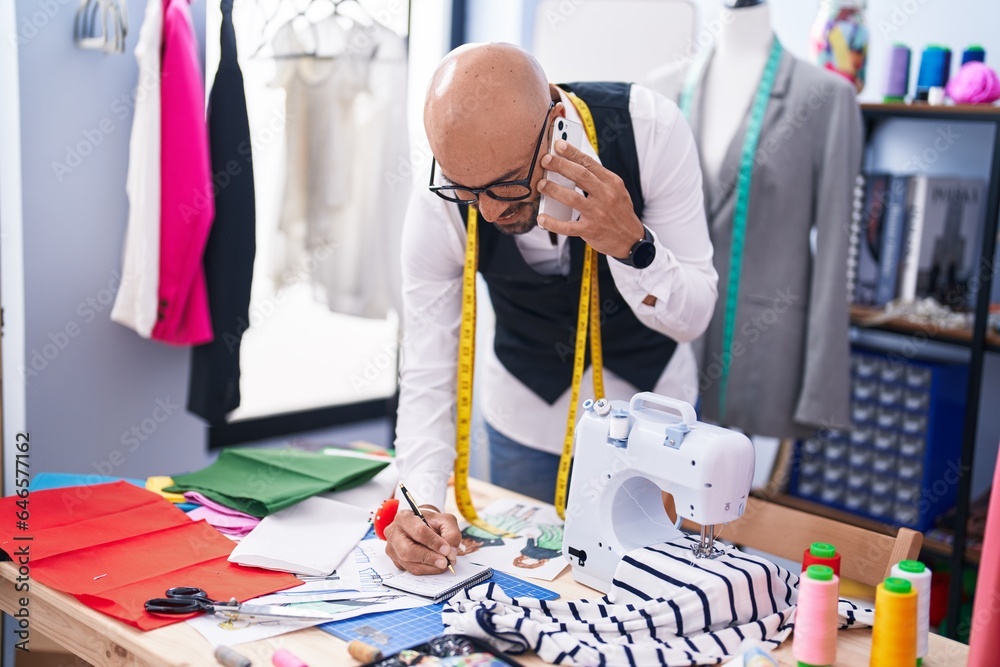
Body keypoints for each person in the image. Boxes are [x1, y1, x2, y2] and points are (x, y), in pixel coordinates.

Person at [384, 43, 717, 575]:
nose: (489, 211)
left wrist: (634, 246)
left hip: (653, 425)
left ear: (557, 126)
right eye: (470, 194)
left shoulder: (650, 130)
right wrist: (418, 500)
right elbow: (427, 370)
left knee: (648, 592)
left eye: (506, 185)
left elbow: (694, 317)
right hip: (524, 426)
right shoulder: (440, 199)